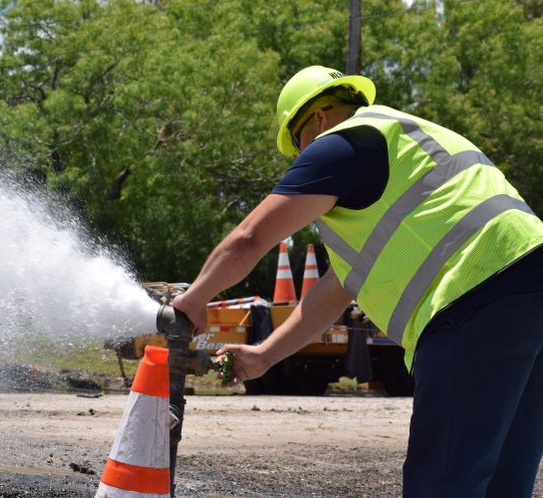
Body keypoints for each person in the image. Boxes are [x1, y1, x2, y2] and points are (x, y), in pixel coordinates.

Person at [171, 65, 543, 497]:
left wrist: (194, 299)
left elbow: (251, 237)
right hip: (529, 283)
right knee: (503, 481)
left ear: (317, 121)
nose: (302, 161)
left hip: (475, 295)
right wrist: (264, 356)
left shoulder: (339, 147)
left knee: (443, 484)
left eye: (298, 148)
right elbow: (335, 289)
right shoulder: (403, 144)